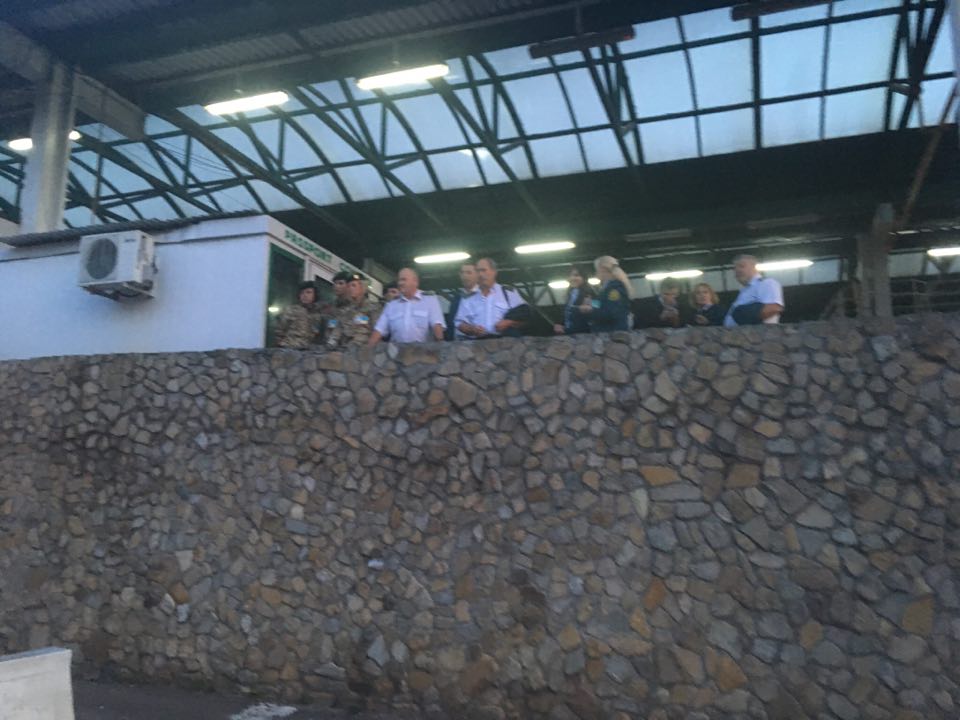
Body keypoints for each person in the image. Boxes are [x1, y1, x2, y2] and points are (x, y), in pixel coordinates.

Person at [369, 268, 444, 346]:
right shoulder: (391, 305)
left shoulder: (430, 300)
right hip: (397, 351)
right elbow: (379, 331)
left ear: (415, 281)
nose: (400, 283)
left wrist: (440, 348)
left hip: (423, 351)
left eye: (404, 280)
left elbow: (437, 326)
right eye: (399, 280)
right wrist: (368, 348)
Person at [454, 257, 526, 339]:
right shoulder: (468, 297)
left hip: (506, 342)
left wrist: (508, 322)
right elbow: (459, 323)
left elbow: (525, 318)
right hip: (478, 343)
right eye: (478, 271)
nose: (481, 274)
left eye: (484, 270)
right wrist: (472, 329)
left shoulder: (508, 293)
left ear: (494, 272)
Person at [724, 254, 784, 327]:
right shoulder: (745, 291)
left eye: (742, 266)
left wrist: (746, 319)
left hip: (758, 332)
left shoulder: (766, 283)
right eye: (734, 268)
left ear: (754, 267)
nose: (737, 270)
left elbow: (774, 308)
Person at [576, 255, 631, 333]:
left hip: (612, 332)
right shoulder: (607, 287)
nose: (595, 273)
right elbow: (604, 304)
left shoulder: (614, 289)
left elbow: (612, 312)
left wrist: (590, 310)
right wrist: (592, 302)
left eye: (596, 270)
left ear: (603, 269)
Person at [326, 272, 381, 348]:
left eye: (354, 285)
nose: (350, 288)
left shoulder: (373, 308)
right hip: (345, 350)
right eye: (349, 286)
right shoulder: (345, 311)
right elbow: (336, 332)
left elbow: (378, 332)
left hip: (363, 350)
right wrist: (331, 344)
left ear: (363, 287)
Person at [274, 281, 323, 349]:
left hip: (307, 350)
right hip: (289, 348)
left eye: (308, 292)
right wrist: (281, 345)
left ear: (315, 295)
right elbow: (279, 331)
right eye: (302, 293)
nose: (305, 295)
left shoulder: (318, 315)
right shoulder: (291, 310)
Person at [553, 265, 594, 335]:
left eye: (576, 275)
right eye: (570, 276)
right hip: (569, 331)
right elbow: (567, 311)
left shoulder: (591, 292)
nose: (572, 278)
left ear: (583, 278)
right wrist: (559, 324)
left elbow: (596, 309)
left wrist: (588, 308)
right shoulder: (570, 293)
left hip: (584, 333)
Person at [445, 262, 477, 340]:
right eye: (462, 273)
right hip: (457, 343)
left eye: (469, 273)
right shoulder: (457, 298)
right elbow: (451, 324)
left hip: (479, 342)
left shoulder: (485, 296)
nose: (465, 276)